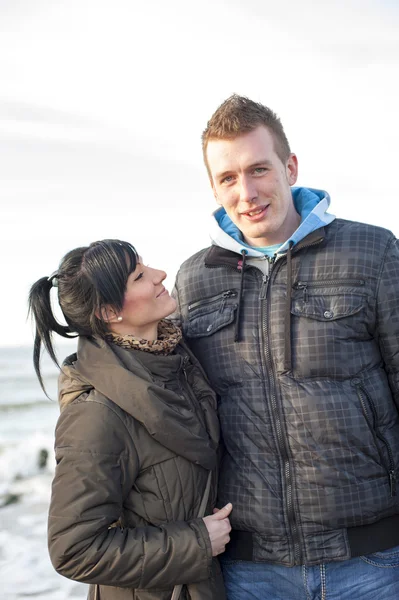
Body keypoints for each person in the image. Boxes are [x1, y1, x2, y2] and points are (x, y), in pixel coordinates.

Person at [171, 95, 399, 599]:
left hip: (373, 559)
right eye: (228, 178)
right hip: (252, 568)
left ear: (289, 167)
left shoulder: (373, 251)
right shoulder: (194, 279)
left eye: (259, 170)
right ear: (214, 187)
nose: (246, 192)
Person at [28, 239, 232, 600]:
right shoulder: (96, 414)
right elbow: (74, 550)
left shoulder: (180, 367)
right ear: (108, 312)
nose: (160, 275)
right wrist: (198, 542)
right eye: (139, 276)